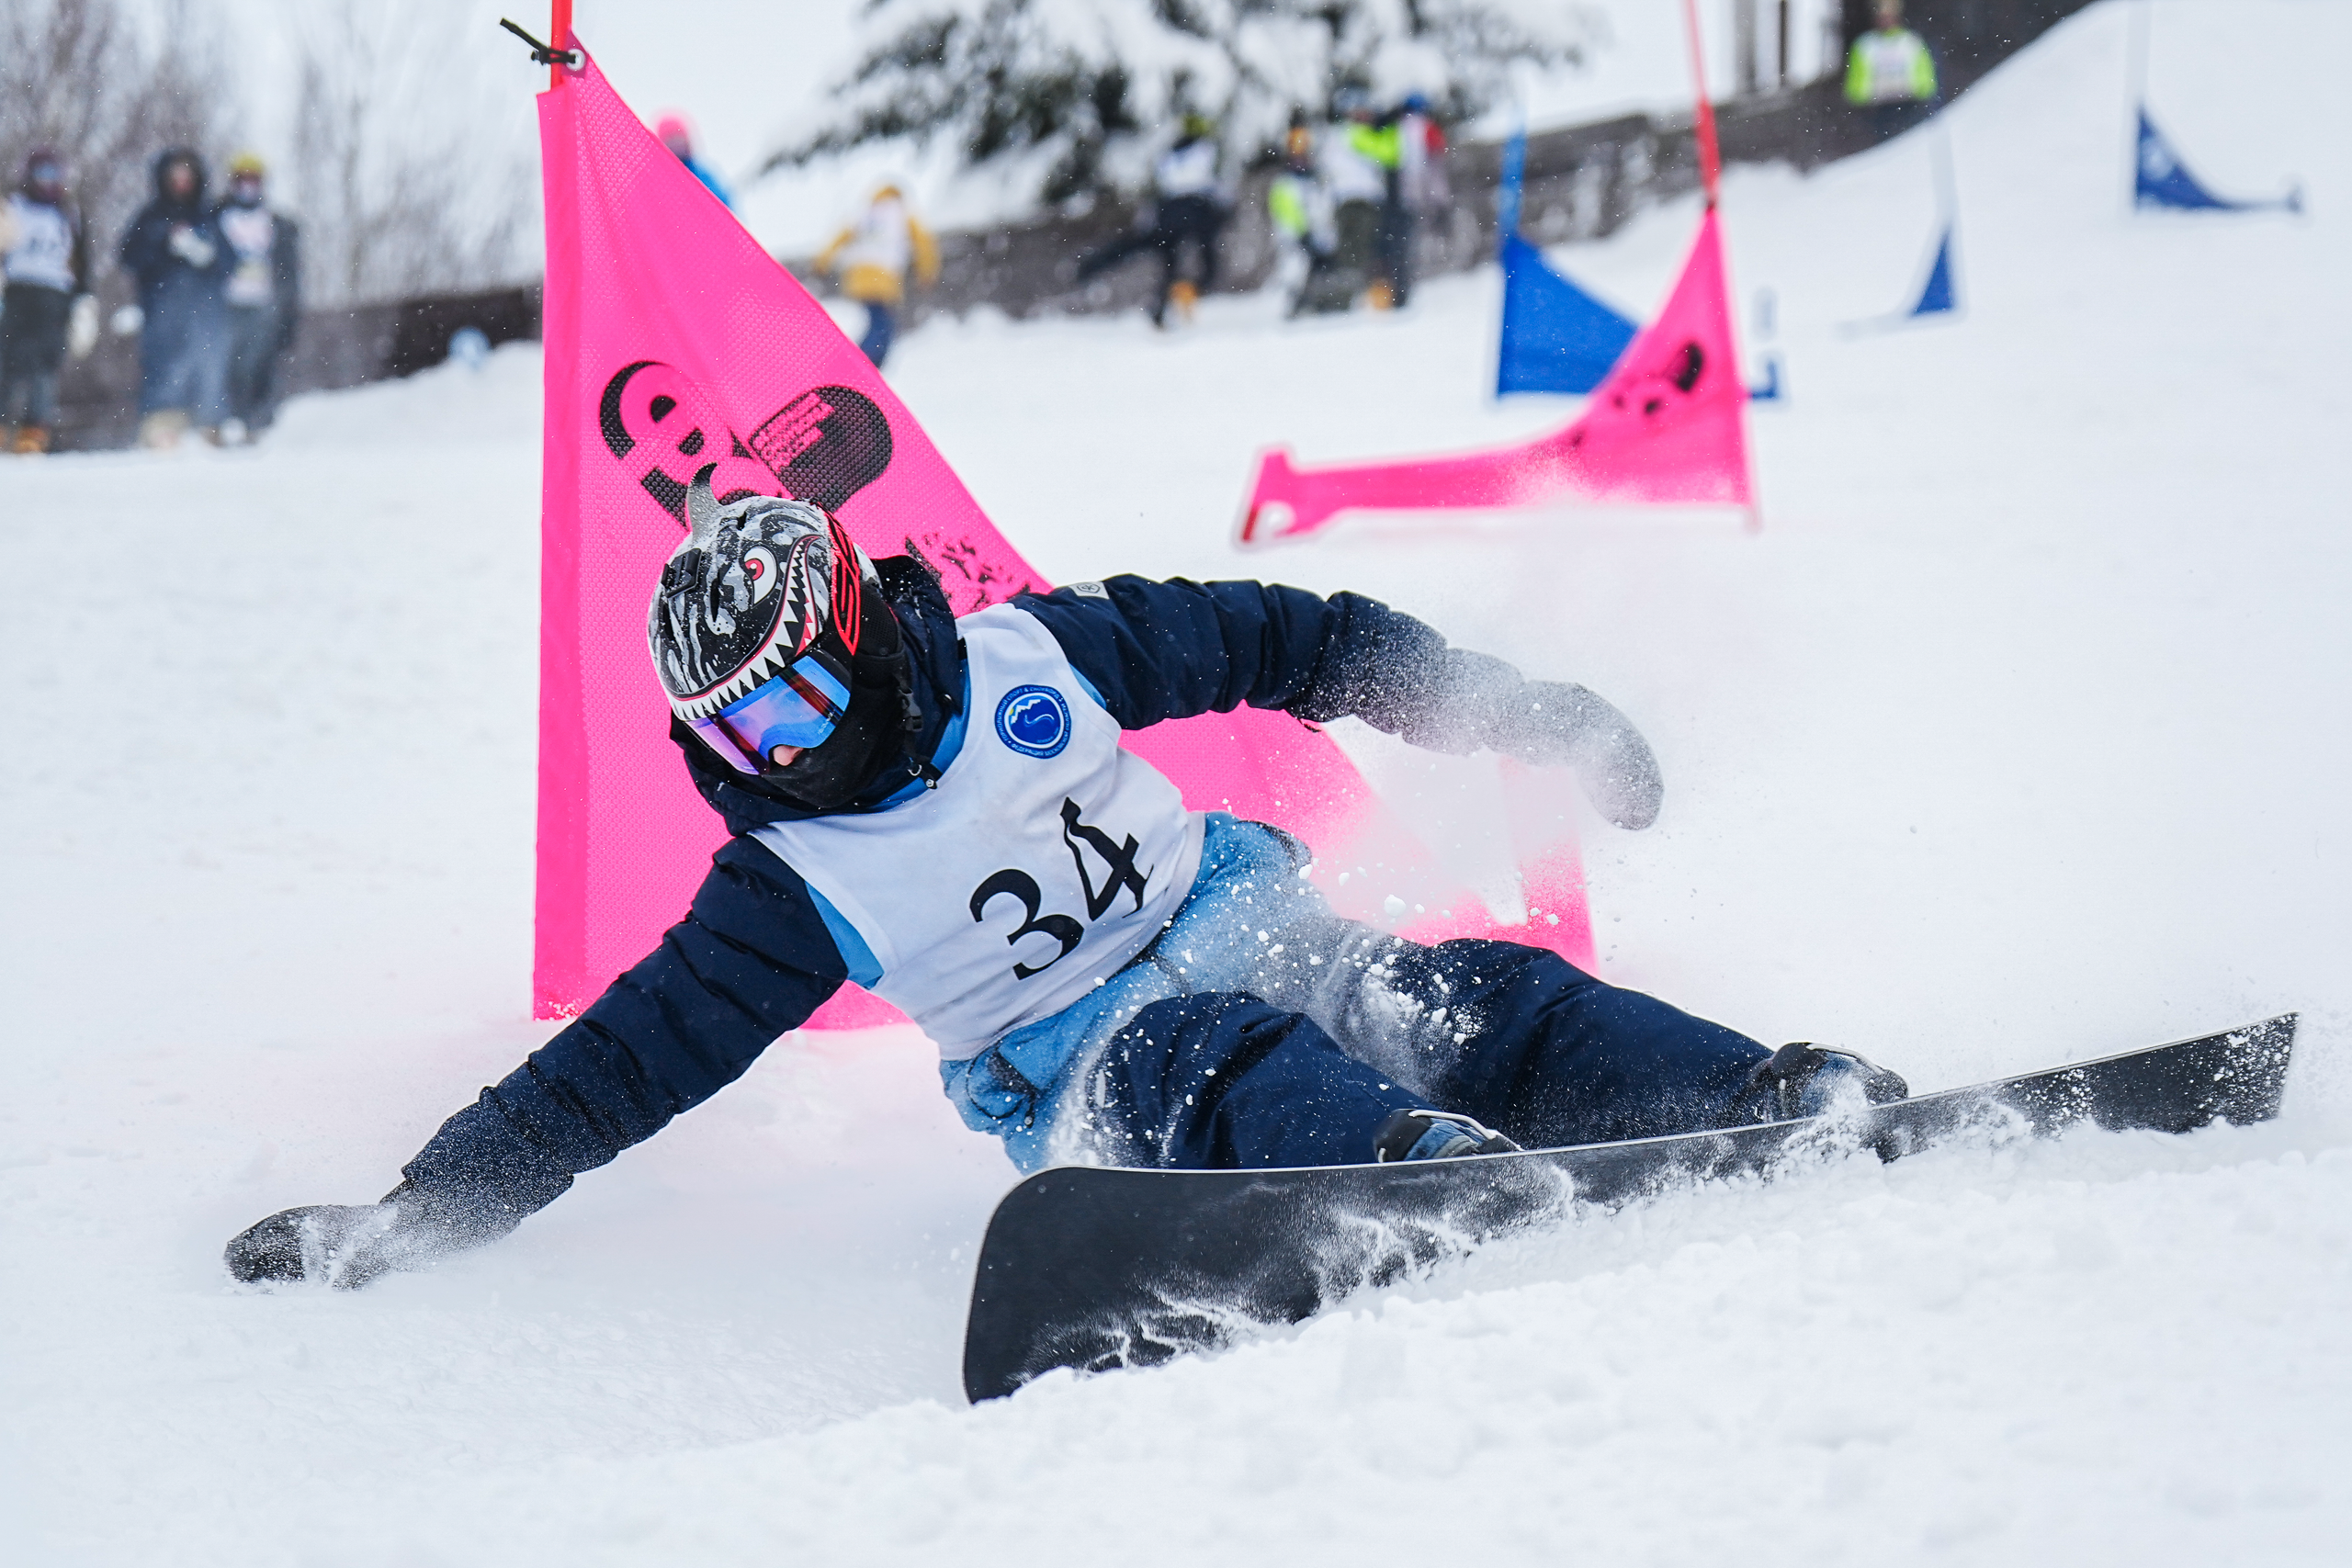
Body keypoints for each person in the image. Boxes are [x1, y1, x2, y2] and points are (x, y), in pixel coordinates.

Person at [223, 471, 1911, 1287]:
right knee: (1219, 1061)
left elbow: (1293, 637)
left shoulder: (1036, 652)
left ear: (857, 632)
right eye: (746, 731)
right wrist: (420, 1205)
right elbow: (621, 1064)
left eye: (804, 692)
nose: (791, 747)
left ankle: (1747, 1089)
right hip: (1091, 1067)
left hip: (1251, 923)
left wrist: (1509, 712)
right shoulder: (790, 879)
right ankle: (1417, 1169)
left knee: (1459, 989)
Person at [118, 148, 230, 448]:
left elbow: (230, 263)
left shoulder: (210, 216)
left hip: (206, 316)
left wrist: (206, 254)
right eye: (175, 174)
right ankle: (161, 432)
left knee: (209, 368)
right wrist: (164, 245)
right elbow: (129, 257)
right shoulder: (150, 216)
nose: (181, 181)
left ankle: (210, 429)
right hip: (162, 314)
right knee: (164, 370)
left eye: (187, 174)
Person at [1073, 115, 1231, 329]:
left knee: (1165, 258)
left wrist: (1151, 218)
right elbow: (1218, 186)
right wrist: (1223, 210)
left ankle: (1159, 305)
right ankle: (1185, 292)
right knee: (1207, 264)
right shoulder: (1209, 150)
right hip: (1197, 209)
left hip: (1169, 211)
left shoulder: (1170, 152)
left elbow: (1159, 186)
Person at [0, 149, 94, 455]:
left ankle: (34, 429)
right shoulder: (12, 208)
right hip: (16, 292)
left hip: (55, 296)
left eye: (52, 175)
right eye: (41, 174)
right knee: (7, 360)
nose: (46, 182)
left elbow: (81, 262)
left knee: (45, 365)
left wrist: (84, 302)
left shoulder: (69, 214)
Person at [211, 152, 301, 443]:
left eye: (254, 180)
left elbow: (290, 274)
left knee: (260, 366)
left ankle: (257, 425)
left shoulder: (278, 224)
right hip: (224, 307)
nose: (248, 187)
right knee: (224, 366)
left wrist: (289, 316)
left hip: (264, 306)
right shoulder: (215, 218)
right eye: (242, 180)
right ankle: (221, 423)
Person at [812, 184, 940, 367]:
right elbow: (924, 243)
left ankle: (863, 361)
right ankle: (863, 362)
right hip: (882, 275)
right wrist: (927, 272)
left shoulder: (865, 213)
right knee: (883, 325)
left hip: (857, 275)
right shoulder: (902, 214)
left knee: (877, 321)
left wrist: (821, 263)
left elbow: (839, 237)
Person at [1320, 89, 1393, 310]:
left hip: (1345, 200)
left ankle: (1343, 298)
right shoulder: (1353, 133)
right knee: (1358, 253)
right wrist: (1388, 129)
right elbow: (1387, 153)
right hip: (1357, 201)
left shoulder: (1335, 135)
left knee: (1349, 252)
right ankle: (1346, 300)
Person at [1269, 119, 1347, 317]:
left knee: (1327, 268)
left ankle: (1325, 303)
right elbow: (1285, 212)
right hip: (1295, 237)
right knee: (1296, 271)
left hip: (1319, 234)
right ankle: (1296, 306)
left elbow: (1325, 205)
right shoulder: (1284, 182)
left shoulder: (1317, 178)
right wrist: (1301, 233)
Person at [1844, 0, 1939, 138]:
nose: (1886, 20)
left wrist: (1924, 96)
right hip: (1878, 109)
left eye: (1889, 15)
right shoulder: (1865, 45)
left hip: (1909, 105)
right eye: (1882, 16)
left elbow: (1926, 78)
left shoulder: (1911, 41)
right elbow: (1855, 86)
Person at [656, 114, 731, 208]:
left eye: (678, 139)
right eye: (671, 140)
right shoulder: (658, 178)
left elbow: (723, 203)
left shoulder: (703, 174)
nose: (676, 145)